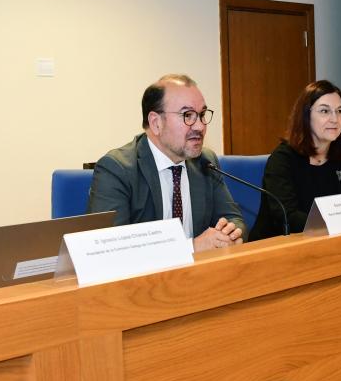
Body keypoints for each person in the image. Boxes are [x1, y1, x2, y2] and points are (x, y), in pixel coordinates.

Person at [88, 74, 245, 251]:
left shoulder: (205, 162)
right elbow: (110, 250)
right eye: (187, 115)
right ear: (156, 123)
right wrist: (191, 248)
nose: (200, 126)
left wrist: (229, 235)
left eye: (201, 114)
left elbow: (233, 219)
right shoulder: (117, 169)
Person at [250, 80, 341, 241]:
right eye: (324, 111)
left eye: (340, 111)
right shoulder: (283, 159)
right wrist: (337, 223)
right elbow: (287, 217)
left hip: (329, 242)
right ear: (306, 116)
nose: (335, 119)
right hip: (279, 246)